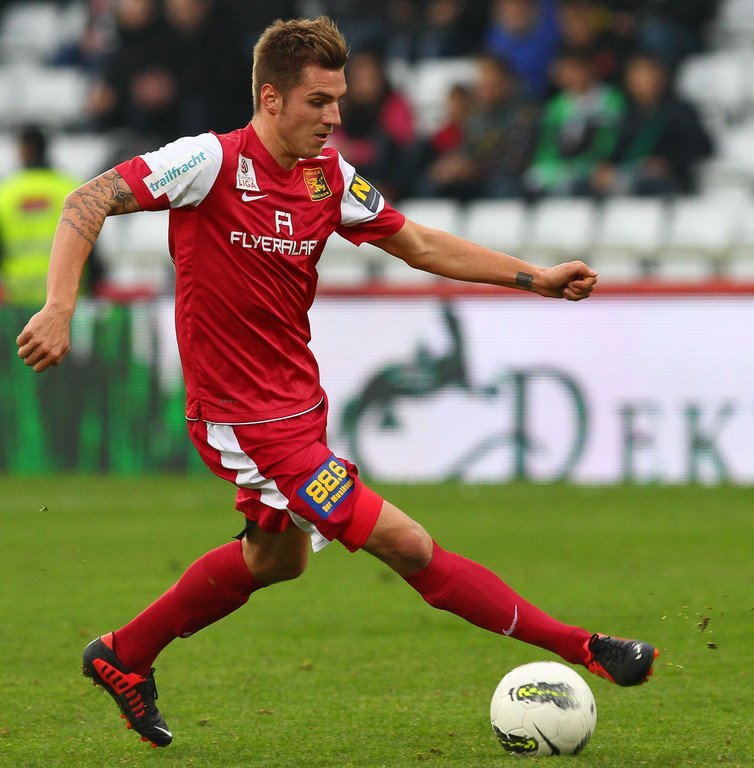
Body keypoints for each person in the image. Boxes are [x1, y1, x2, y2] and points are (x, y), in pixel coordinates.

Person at [16, 16, 657, 750]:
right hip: (242, 422)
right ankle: (588, 648)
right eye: (318, 101)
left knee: (276, 559)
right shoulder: (207, 162)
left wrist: (532, 278)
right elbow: (87, 200)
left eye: (339, 100)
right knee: (408, 544)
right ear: (271, 98)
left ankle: (123, 654)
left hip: (299, 410)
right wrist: (59, 306)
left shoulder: (328, 176)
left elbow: (419, 243)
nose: (334, 116)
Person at [577, 53, 713, 197]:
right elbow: (618, 152)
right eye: (634, 74)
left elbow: (703, 148)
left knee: (641, 184)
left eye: (645, 73)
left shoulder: (680, 111)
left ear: (661, 76)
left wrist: (668, 162)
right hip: (629, 174)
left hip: (669, 181)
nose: (639, 80)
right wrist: (606, 167)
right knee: (579, 185)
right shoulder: (628, 115)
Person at [0, 126, 88, 306]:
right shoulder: (72, 188)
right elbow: (91, 243)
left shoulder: (6, 192)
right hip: (67, 295)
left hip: (17, 297)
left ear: (25, 150)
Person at [525, 50, 625, 196]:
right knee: (533, 178)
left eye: (574, 70)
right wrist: (552, 165)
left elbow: (608, 141)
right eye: (564, 72)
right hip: (560, 166)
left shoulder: (611, 99)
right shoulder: (556, 106)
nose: (570, 76)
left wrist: (591, 163)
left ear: (588, 68)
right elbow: (547, 144)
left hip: (594, 165)